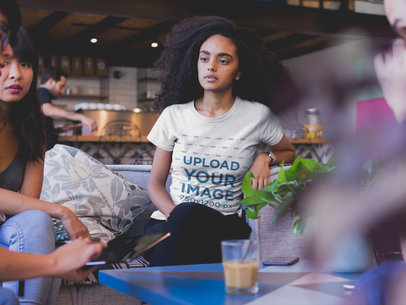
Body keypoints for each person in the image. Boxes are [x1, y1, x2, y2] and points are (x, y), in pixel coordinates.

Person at [145, 16, 295, 266]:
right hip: (170, 223)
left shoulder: (257, 116)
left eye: (222, 60)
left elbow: (288, 153)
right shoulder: (174, 115)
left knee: (187, 221)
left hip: (223, 228)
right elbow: (155, 184)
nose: (211, 66)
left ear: (239, 72)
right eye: (204, 58)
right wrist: (177, 217)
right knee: (186, 214)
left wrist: (264, 157)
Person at [0, 6, 100, 304]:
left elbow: (27, 207)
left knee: (36, 220)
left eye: (25, 63)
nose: (16, 73)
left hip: (6, 227)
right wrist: (62, 211)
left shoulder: (33, 130)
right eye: (3, 63)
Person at [38, 68, 98, 150]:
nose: (62, 91)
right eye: (61, 86)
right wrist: (82, 117)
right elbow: (48, 110)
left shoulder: (42, 95)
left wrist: (62, 129)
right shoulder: (41, 91)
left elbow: (43, 127)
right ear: (51, 81)